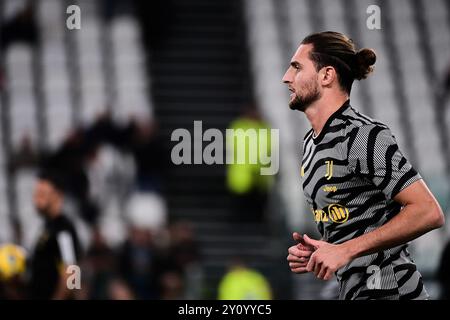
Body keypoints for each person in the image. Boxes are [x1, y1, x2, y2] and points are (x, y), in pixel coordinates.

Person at [283, 31, 445, 300]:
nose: (286, 77)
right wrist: (324, 250)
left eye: (297, 67)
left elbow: (428, 212)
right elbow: (356, 226)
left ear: (326, 76)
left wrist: (344, 250)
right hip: (354, 292)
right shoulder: (310, 144)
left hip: (392, 291)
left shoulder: (361, 135)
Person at [29, 170, 81, 299]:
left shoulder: (63, 229)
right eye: (36, 194)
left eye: (42, 194)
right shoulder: (47, 227)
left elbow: (72, 276)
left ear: (58, 195)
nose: (36, 199)